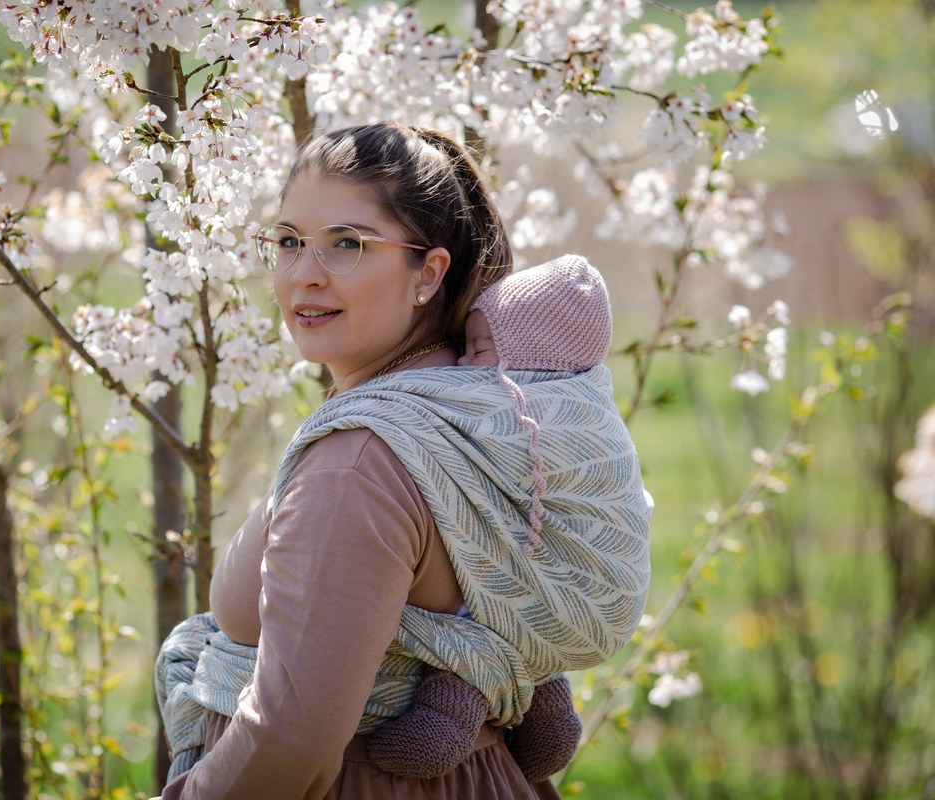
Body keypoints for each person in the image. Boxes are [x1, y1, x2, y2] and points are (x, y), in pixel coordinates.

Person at [155, 122, 652, 800]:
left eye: (347, 245)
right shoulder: (475, 415)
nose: (304, 274)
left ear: (429, 273)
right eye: (289, 241)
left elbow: (288, 738)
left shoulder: (362, 459)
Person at [365, 254, 617, 784]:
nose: (460, 365)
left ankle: (442, 729)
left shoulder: (532, 411)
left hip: (545, 577)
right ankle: (550, 717)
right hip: (555, 588)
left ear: (534, 358)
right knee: (526, 636)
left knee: (481, 634)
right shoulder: (580, 403)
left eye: (479, 350)